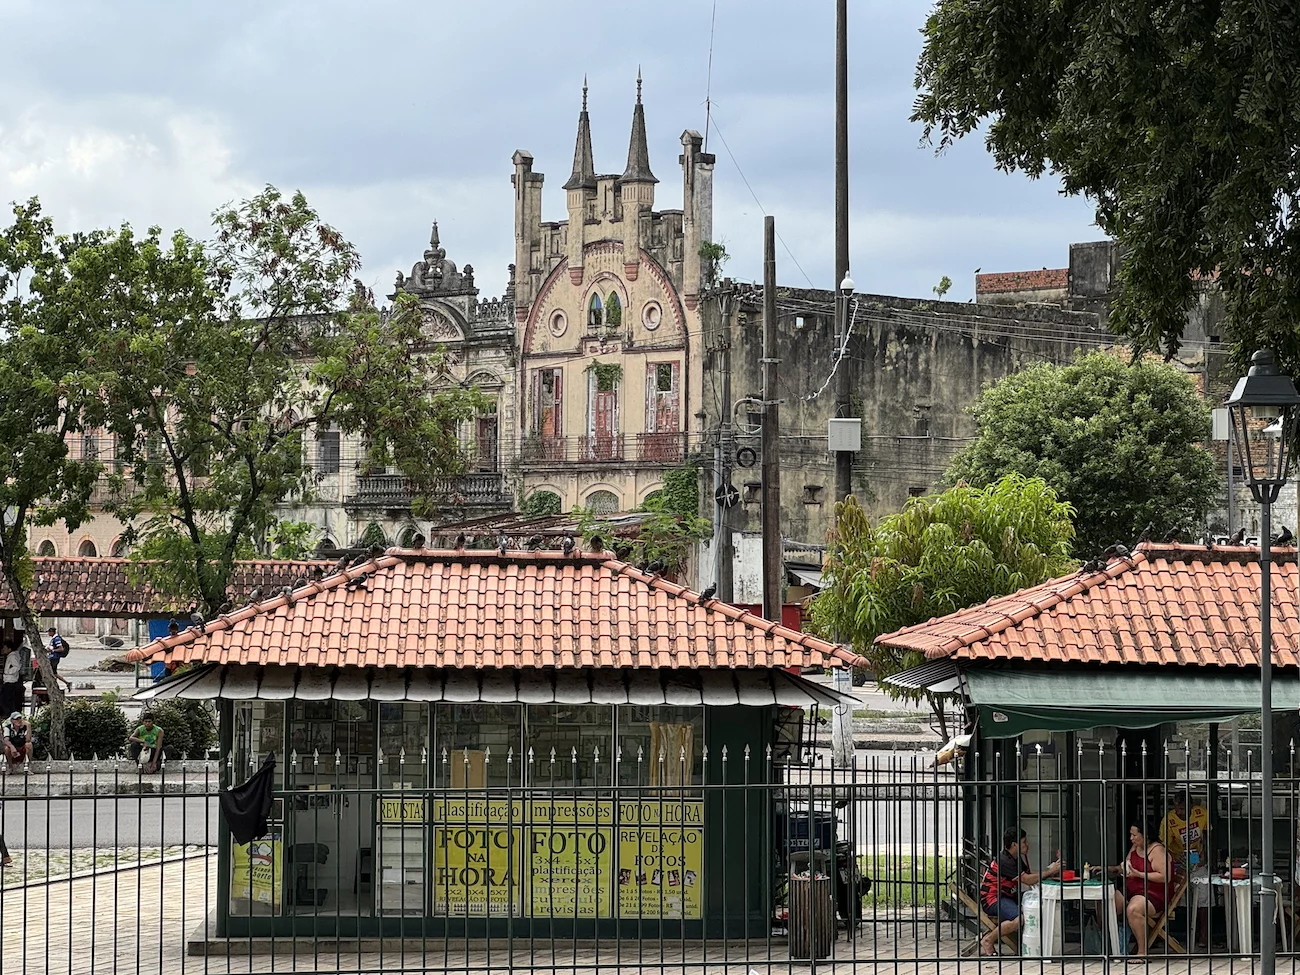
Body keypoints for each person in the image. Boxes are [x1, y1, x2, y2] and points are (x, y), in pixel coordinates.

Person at [979, 827, 1063, 955]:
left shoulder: (1015, 858)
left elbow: (1031, 876)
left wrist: (1051, 871)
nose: (1027, 845)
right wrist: (1050, 871)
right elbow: (1028, 880)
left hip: (1007, 895)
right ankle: (988, 940)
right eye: (1024, 842)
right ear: (1014, 844)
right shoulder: (1005, 861)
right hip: (993, 899)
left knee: (1039, 901)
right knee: (1020, 919)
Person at [1109, 820, 1172, 957]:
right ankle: (1108, 946)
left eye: (1134, 835)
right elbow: (1126, 868)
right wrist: (1110, 869)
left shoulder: (1157, 850)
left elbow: (1164, 876)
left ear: (1146, 836)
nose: (1131, 838)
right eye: (1130, 835)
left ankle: (1142, 952)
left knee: (1133, 909)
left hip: (1153, 894)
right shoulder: (1136, 847)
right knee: (1106, 902)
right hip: (1131, 891)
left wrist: (1139, 874)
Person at [1162, 790, 1211, 947]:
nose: (1179, 812)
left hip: (1196, 856)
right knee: (1175, 896)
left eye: (1183, 808)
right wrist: (1175, 858)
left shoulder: (1201, 813)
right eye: (1177, 808)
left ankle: (1203, 936)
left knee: (1203, 895)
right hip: (1178, 859)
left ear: (1191, 806)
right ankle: (1168, 934)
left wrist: (1206, 856)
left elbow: (1208, 835)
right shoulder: (1168, 820)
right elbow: (1163, 846)